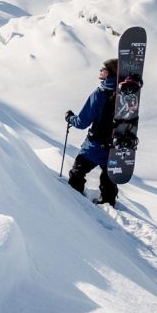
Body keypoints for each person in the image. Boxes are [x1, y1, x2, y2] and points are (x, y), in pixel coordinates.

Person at [64, 58, 119, 206]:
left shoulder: (100, 93)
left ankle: (77, 205)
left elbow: (82, 122)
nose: (100, 72)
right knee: (108, 177)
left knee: (78, 171)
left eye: (103, 70)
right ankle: (109, 203)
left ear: (110, 73)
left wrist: (70, 118)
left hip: (95, 145)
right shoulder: (126, 94)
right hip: (117, 146)